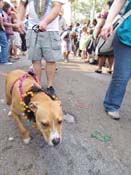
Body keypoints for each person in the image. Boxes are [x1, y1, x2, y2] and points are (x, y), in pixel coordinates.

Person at [17, 0, 65, 99]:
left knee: (51, 60)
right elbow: (22, 3)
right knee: (35, 59)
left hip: (50, 29)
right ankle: (37, 85)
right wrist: (19, 20)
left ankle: (50, 86)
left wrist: (46, 22)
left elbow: (57, 6)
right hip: (32, 29)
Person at [101, 0, 131, 119]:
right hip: (127, 37)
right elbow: (119, 1)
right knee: (122, 75)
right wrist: (108, 22)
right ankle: (112, 104)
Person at [0, 0, 12, 65]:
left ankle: (2, 59)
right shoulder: (0, 9)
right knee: (4, 44)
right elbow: (0, 17)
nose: (2, 4)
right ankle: (4, 61)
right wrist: (2, 26)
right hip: (0, 30)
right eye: (2, 2)